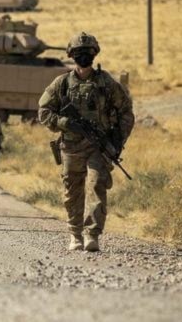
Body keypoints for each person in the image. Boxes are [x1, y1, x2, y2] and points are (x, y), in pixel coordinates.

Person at [38, 32, 134, 252]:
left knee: (97, 185)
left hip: (98, 148)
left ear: (94, 54)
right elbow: (43, 112)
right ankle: (75, 234)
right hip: (71, 147)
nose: (83, 56)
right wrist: (64, 123)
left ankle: (92, 234)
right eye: (79, 53)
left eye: (87, 52)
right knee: (72, 192)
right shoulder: (61, 83)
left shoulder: (106, 83)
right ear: (72, 55)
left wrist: (117, 140)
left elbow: (126, 112)